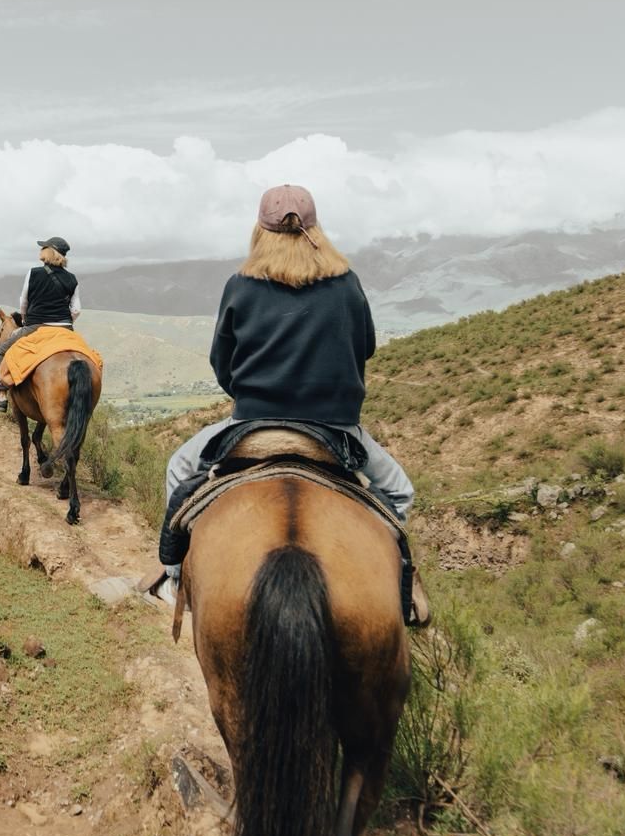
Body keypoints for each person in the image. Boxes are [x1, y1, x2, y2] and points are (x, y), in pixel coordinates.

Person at [156, 184, 427, 623]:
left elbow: (221, 362)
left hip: (253, 420)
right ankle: (397, 594)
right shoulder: (347, 284)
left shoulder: (240, 285)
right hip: (334, 428)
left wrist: (251, 395)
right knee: (398, 491)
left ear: (260, 230)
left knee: (179, 467)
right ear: (314, 228)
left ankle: (172, 577)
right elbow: (367, 348)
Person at [0, 236, 81, 412]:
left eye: (43, 247)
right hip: (66, 329)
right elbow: (76, 310)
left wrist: (27, 319)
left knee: (1, 351)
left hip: (36, 326)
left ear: (51, 252)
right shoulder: (72, 279)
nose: (40, 250)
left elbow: (24, 302)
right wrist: (64, 324)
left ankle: (1, 396)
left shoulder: (33, 273)